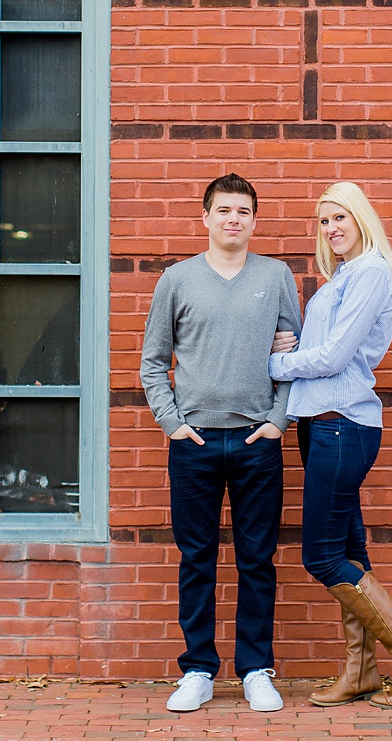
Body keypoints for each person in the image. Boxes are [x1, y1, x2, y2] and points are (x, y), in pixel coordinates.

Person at [269, 181, 392, 709]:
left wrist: (277, 363)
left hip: (342, 426)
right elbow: (321, 349)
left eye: (340, 217)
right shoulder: (344, 275)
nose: (331, 228)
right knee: (349, 550)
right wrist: (295, 346)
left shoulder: (369, 273)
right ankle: (362, 671)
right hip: (323, 424)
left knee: (322, 557)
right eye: (323, 221)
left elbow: (335, 356)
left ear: (362, 219)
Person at [140, 173, 301, 714]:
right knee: (197, 558)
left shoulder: (277, 276)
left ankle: (256, 669)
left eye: (243, 211)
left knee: (258, 559)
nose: (233, 219)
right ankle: (199, 670)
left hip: (258, 440)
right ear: (205, 217)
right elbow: (153, 361)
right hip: (195, 442)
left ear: (255, 220)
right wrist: (172, 423)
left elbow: (290, 360)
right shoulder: (177, 280)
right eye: (223, 210)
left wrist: (278, 421)